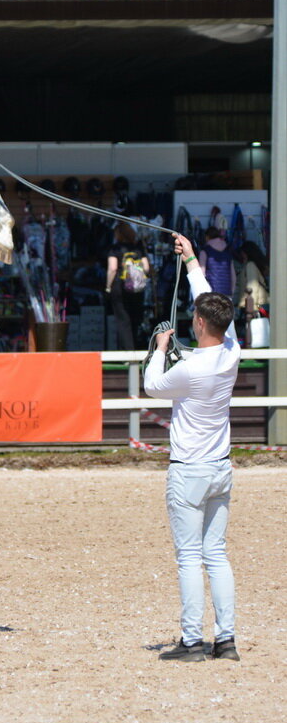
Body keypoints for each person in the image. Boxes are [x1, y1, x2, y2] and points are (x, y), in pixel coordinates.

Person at [144, 232, 241, 663]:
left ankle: (190, 643)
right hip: (220, 468)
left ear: (199, 324)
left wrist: (161, 348)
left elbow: (151, 386)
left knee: (189, 558)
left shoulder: (190, 369)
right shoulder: (231, 349)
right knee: (216, 556)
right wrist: (192, 263)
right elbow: (208, 300)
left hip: (189, 471)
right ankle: (226, 640)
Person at [106, 223, 149, 349]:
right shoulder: (138, 248)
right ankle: (137, 349)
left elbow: (112, 269)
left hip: (120, 287)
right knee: (135, 319)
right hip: (137, 287)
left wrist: (108, 287)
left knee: (123, 320)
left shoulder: (115, 249)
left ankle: (128, 353)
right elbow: (146, 268)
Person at [199, 226, 236, 297]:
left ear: (207, 237)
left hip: (211, 292)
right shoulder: (228, 251)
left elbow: (202, 274)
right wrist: (232, 291)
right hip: (227, 292)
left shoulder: (205, 251)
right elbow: (233, 274)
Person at [237, 240, 269, 312]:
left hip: (255, 305)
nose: (242, 255)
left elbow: (252, 286)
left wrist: (251, 308)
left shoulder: (250, 265)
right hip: (260, 303)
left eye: (243, 253)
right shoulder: (255, 265)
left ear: (247, 253)